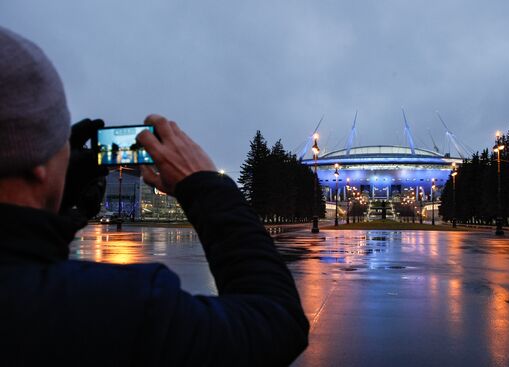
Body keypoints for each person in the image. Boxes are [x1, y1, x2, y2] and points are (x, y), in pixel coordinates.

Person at [0, 26, 308, 365]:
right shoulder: (111, 308)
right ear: (38, 165)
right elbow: (275, 321)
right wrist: (206, 186)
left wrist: (51, 215)